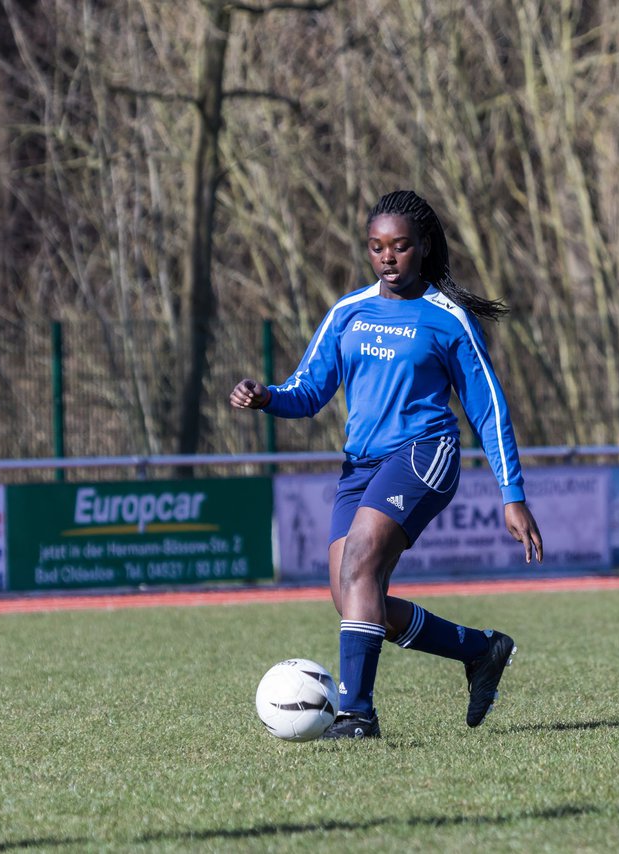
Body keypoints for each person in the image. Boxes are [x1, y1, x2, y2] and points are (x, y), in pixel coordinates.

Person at [231, 189, 544, 739]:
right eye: (377, 248)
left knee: (360, 567)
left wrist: (511, 494)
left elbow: (489, 408)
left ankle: (356, 715)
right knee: (351, 594)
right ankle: (480, 650)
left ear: (422, 247)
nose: (388, 257)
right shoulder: (348, 312)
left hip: (426, 452)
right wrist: (267, 397)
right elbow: (307, 392)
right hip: (360, 467)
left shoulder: (449, 320)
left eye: (400, 246)